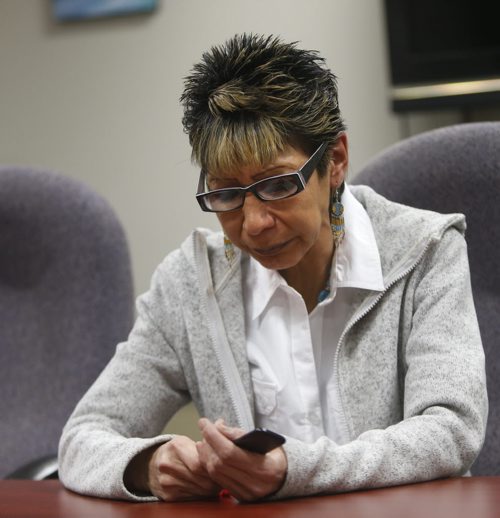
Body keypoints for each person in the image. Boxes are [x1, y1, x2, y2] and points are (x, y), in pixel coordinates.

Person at [58, 33, 487, 502]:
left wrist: (294, 470)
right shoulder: (189, 282)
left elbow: (451, 430)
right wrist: (148, 466)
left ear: (336, 161)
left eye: (278, 185)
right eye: (225, 194)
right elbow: (83, 438)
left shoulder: (425, 251)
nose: (255, 223)